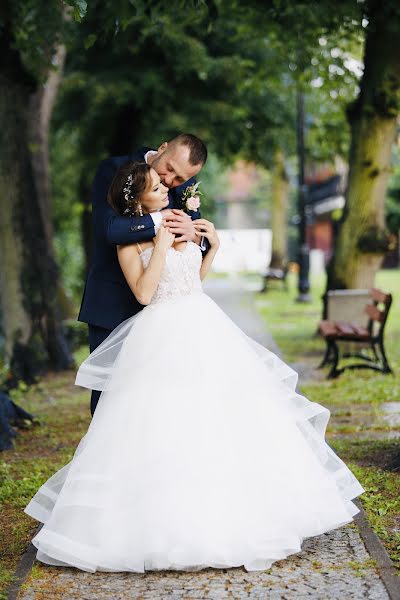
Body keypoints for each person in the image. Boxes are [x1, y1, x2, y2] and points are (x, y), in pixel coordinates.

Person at [25, 161, 364, 574]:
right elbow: (147, 294)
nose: (167, 189)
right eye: (156, 187)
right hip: (161, 334)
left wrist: (212, 247)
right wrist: (162, 246)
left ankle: (238, 514)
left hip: (204, 326)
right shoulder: (129, 243)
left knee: (222, 418)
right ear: (138, 199)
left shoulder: (180, 220)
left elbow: (193, 282)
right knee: (165, 423)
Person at [78, 133, 208, 415]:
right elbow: (110, 230)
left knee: (160, 398)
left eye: (179, 179)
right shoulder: (114, 169)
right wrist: (162, 220)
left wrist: (197, 237)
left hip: (164, 313)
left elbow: (195, 236)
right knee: (109, 398)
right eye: (169, 169)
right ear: (162, 148)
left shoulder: (182, 189)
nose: (170, 181)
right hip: (112, 302)